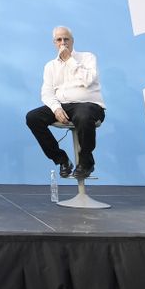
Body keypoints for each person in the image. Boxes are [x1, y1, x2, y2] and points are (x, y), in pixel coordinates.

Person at [25, 26, 105, 180]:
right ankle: (61, 159)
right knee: (33, 117)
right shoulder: (50, 66)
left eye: (66, 39)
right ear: (54, 43)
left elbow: (88, 80)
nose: (63, 43)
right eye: (59, 40)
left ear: (72, 41)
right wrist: (56, 109)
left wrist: (69, 60)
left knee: (83, 115)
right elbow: (47, 93)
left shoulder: (87, 57)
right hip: (63, 106)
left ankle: (86, 161)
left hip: (90, 105)